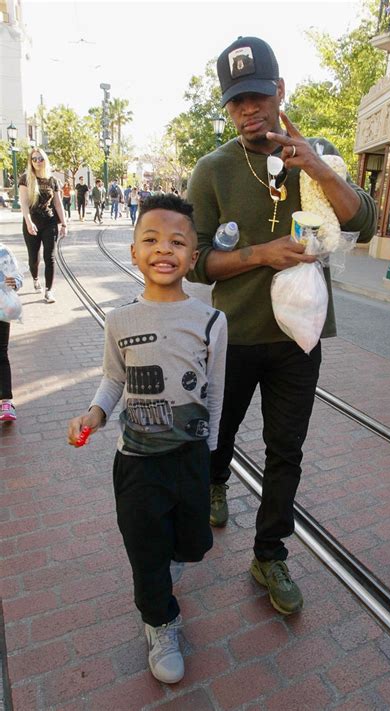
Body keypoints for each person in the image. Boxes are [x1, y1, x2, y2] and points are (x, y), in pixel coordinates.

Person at [187, 36, 377, 616]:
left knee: (285, 449)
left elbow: (363, 223)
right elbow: (195, 262)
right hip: (236, 334)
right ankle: (215, 480)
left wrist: (316, 166)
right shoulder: (213, 169)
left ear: (279, 90)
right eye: (236, 100)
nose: (249, 109)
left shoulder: (318, 154)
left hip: (300, 336)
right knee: (219, 437)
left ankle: (269, 553)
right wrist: (259, 255)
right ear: (228, 106)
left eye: (257, 95)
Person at [67, 193, 227, 684]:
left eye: (177, 241)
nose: (164, 249)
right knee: (144, 545)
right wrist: (94, 414)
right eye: (151, 239)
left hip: (190, 457)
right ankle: (161, 620)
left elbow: (215, 387)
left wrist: (211, 452)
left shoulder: (211, 320)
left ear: (193, 257)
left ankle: (166, 566)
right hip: (137, 460)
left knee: (192, 542)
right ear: (135, 251)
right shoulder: (120, 319)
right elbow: (114, 379)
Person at [18, 148, 67, 304]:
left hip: (49, 221)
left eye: (40, 158)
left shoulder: (53, 180)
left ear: (45, 160)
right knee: (34, 258)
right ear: (31, 162)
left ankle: (49, 291)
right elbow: (24, 203)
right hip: (31, 221)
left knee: (50, 257)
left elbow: (58, 204)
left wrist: (64, 224)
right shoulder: (25, 179)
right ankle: (35, 278)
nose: (38, 161)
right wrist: (28, 221)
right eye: (34, 159)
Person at [0, 243, 23, 422]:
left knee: (1, 353)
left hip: (2, 310)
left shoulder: (3, 251)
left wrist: (15, 282)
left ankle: (6, 400)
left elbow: (18, 274)